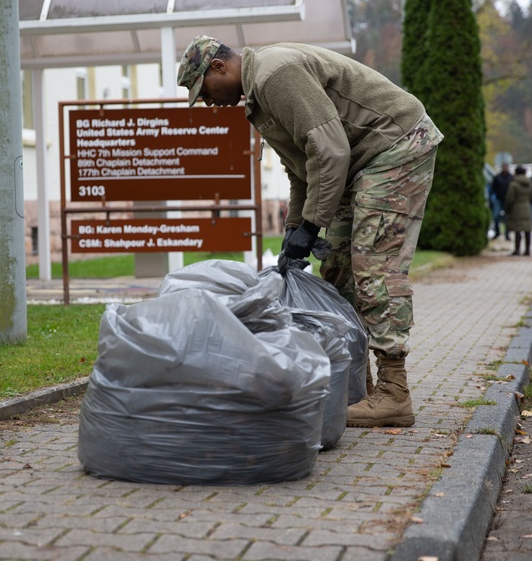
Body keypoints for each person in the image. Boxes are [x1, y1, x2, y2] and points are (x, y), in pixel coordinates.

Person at [177, 35, 443, 428]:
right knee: (334, 268)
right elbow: (302, 169)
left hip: (396, 145)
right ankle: (357, 385)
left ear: (220, 67)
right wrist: (293, 230)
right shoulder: (257, 101)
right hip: (357, 163)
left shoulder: (275, 75)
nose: (209, 103)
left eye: (206, 91)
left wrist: (313, 224)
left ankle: (394, 393)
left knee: (373, 265)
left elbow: (330, 150)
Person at [504, 165, 532, 256]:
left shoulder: (513, 184)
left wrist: (507, 209)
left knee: (518, 230)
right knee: (527, 230)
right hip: (527, 207)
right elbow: (531, 196)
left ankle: (517, 250)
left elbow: (510, 198)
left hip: (516, 208)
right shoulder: (530, 183)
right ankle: (527, 250)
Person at [490, 163, 513, 240]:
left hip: (507, 200)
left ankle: (507, 233)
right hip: (498, 199)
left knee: (507, 217)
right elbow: (493, 188)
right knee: (496, 216)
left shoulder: (511, 177)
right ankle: (497, 232)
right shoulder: (497, 177)